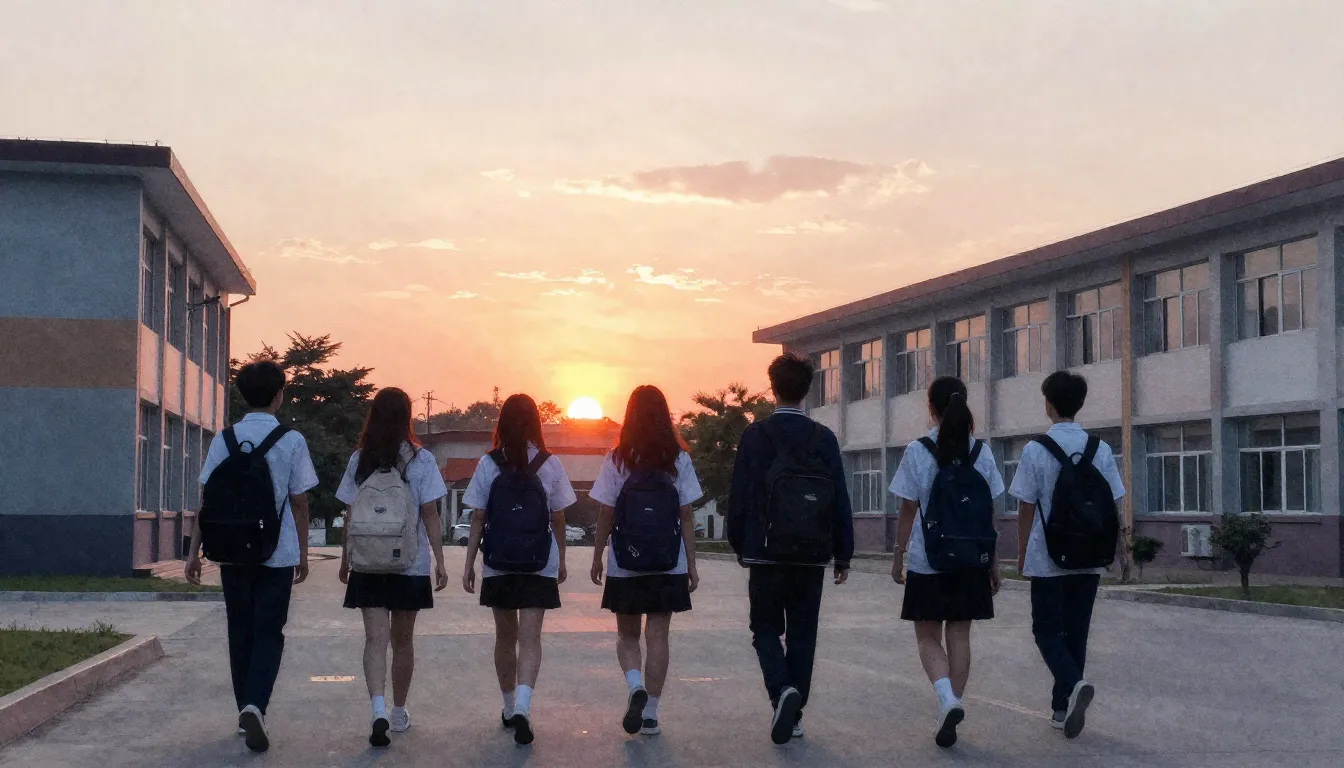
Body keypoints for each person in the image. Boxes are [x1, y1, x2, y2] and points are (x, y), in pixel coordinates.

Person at [186, 360, 318, 753]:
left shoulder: (223, 439)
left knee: (239, 630)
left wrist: (193, 553)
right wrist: (303, 553)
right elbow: (300, 502)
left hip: (230, 553)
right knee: (269, 631)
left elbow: (207, 500)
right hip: (276, 554)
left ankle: (244, 706)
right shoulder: (291, 440)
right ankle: (255, 705)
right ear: (279, 395)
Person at [728, 353, 854, 745]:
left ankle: (782, 690)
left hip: (766, 552)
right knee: (803, 634)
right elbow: (839, 497)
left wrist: (740, 542)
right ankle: (794, 714)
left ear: (773, 388)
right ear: (807, 391)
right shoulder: (824, 438)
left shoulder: (755, 436)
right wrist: (843, 553)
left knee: (765, 628)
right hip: (811, 555)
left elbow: (739, 493)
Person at [889, 376, 1004, 749]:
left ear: (931, 408)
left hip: (928, 560)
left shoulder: (918, 450)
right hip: (971, 560)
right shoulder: (981, 452)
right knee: (959, 635)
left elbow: (908, 508)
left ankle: (946, 700)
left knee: (927, 637)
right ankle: (952, 703)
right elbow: (989, 513)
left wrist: (898, 554)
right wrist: (993, 562)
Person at [1009, 370, 1125, 739]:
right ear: (1080, 404)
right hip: (1090, 555)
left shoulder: (1035, 450)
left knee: (1045, 630)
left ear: (1049, 405)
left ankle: (1073, 684)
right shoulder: (1100, 448)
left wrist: (1021, 554)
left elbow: (1026, 507)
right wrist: (1122, 550)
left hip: (1048, 558)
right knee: (1077, 631)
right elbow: (1114, 506)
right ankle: (1062, 709)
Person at [461, 394, 577, 745]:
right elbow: (558, 516)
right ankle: (525, 705)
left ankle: (510, 706)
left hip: (499, 562)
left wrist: (469, 563)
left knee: (505, 636)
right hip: (539, 562)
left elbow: (478, 516)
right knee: (530, 638)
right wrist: (562, 559)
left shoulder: (489, 463)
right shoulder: (549, 463)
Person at [335, 388, 449, 747]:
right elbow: (430, 513)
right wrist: (440, 559)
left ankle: (378, 709)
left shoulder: (360, 459)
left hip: (367, 563)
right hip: (409, 564)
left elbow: (351, 514)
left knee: (374, 640)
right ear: (407, 417)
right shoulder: (421, 460)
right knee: (402, 642)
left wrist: (346, 560)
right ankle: (398, 712)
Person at [589, 385, 703, 737]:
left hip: (626, 562)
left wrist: (597, 555)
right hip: (668, 562)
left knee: (627, 635)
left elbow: (606, 513)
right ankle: (650, 714)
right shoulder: (678, 460)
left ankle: (635, 684)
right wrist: (691, 564)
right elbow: (686, 514)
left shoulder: (618, 458)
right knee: (658, 634)